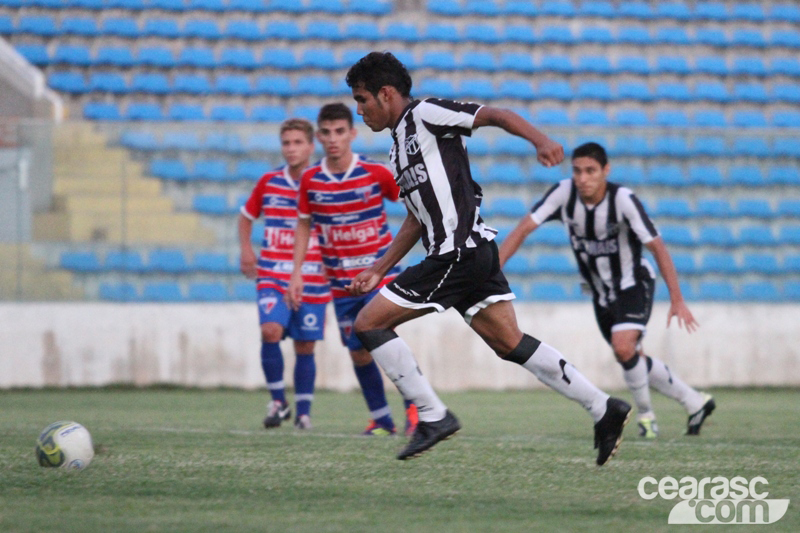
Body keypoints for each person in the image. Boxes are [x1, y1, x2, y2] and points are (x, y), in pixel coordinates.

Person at [344, 51, 631, 465]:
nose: (360, 110)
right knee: (509, 342)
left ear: (386, 93)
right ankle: (603, 407)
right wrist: (378, 269)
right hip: (469, 254)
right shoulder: (396, 150)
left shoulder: (426, 114)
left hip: (457, 253)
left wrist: (540, 140)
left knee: (368, 323)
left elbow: (494, 114)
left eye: (362, 99)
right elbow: (415, 218)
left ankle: (432, 415)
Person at [498, 142, 716, 438]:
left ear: (606, 171)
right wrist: (494, 269)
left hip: (634, 283)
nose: (582, 178)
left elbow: (658, 247)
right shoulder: (563, 194)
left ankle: (647, 418)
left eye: (590, 171)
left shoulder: (623, 200)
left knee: (623, 347)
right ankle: (695, 402)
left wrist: (677, 298)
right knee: (630, 356)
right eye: (577, 171)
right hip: (599, 293)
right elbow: (523, 229)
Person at [287, 102, 418, 436]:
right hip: (341, 283)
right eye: (327, 133)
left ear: (352, 134)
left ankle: (417, 410)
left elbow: (414, 205)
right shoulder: (311, 180)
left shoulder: (374, 172)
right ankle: (382, 419)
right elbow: (303, 224)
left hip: (379, 274)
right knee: (359, 351)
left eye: (340, 132)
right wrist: (296, 272)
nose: (333, 139)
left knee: (384, 337)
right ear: (318, 137)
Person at [238, 118, 331, 430]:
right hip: (272, 272)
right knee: (270, 331)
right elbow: (246, 216)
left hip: (313, 274)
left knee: (305, 346)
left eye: (297, 142)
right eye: (286, 143)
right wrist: (246, 250)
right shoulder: (269, 182)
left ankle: (303, 413)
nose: (291, 149)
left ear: (311, 146)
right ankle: (278, 402)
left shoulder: (323, 181)